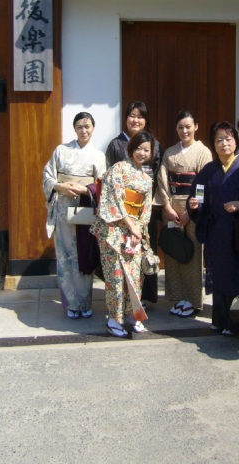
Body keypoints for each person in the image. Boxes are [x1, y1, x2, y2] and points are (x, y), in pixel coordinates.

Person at [188, 121, 239, 335]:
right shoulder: (209, 171)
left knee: (235, 277)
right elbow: (198, 193)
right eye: (219, 140)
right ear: (213, 144)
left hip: (237, 233)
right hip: (215, 231)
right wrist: (195, 205)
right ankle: (219, 319)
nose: (224, 143)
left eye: (228, 139)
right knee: (218, 276)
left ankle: (235, 324)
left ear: (235, 141)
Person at [91, 131, 154, 338]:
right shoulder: (118, 169)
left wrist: (139, 230)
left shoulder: (147, 179)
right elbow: (113, 199)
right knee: (116, 277)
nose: (142, 153)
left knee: (135, 277)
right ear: (131, 149)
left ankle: (131, 315)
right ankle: (113, 319)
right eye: (138, 148)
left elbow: (145, 210)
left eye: (146, 150)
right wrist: (129, 224)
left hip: (134, 233)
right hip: (113, 230)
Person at [43, 112, 106, 319]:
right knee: (65, 258)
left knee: (83, 255)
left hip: (84, 211)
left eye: (87, 126)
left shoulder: (98, 156)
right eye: (79, 126)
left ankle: (84, 302)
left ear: (93, 128)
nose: (83, 130)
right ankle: (71, 303)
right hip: (63, 211)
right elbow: (47, 177)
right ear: (74, 128)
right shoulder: (61, 151)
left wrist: (85, 190)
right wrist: (60, 186)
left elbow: (102, 186)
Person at [154, 110, 212, 317]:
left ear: (196, 126)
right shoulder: (170, 152)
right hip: (172, 208)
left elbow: (203, 184)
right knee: (174, 251)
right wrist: (167, 207)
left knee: (193, 253)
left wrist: (191, 211)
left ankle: (192, 299)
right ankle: (177, 296)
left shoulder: (203, 152)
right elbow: (162, 180)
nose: (184, 131)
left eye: (188, 126)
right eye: (180, 127)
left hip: (192, 209)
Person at [105, 100, 162, 303]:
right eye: (132, 115)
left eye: (140, 116)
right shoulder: (116, 144)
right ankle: (124, 297)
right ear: (126, 118)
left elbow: (157, 175)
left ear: (146, 120)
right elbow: (109, 177)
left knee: (144, 248)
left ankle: (144, 296)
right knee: (123, 253)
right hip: (121, 210)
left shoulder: (154, 144)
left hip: (144, 207)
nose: (136, 120)